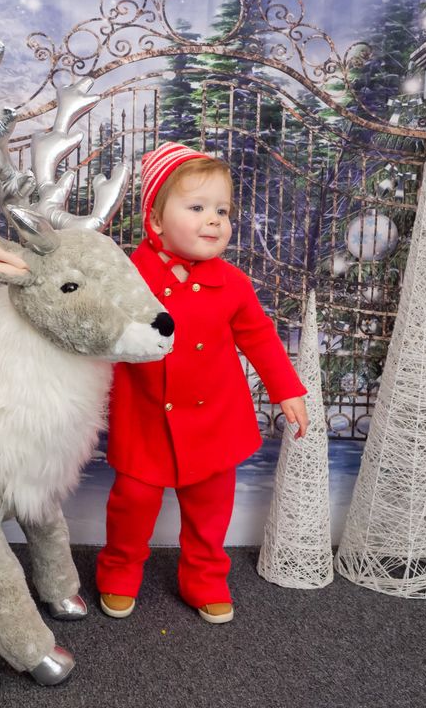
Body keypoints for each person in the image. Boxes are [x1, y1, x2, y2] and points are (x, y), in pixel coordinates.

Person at [97, 142, 310, 624]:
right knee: (133, 502)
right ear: (155, 220)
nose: (214, 220)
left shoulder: (233, 283)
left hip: (215, 418)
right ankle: (119, 568)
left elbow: (260, 338)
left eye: (222, 210)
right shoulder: (127, 277)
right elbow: (99, 331)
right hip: (145, 413)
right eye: (196, 208)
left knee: (210, 508)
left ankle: (205, 576)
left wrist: (287, 389)